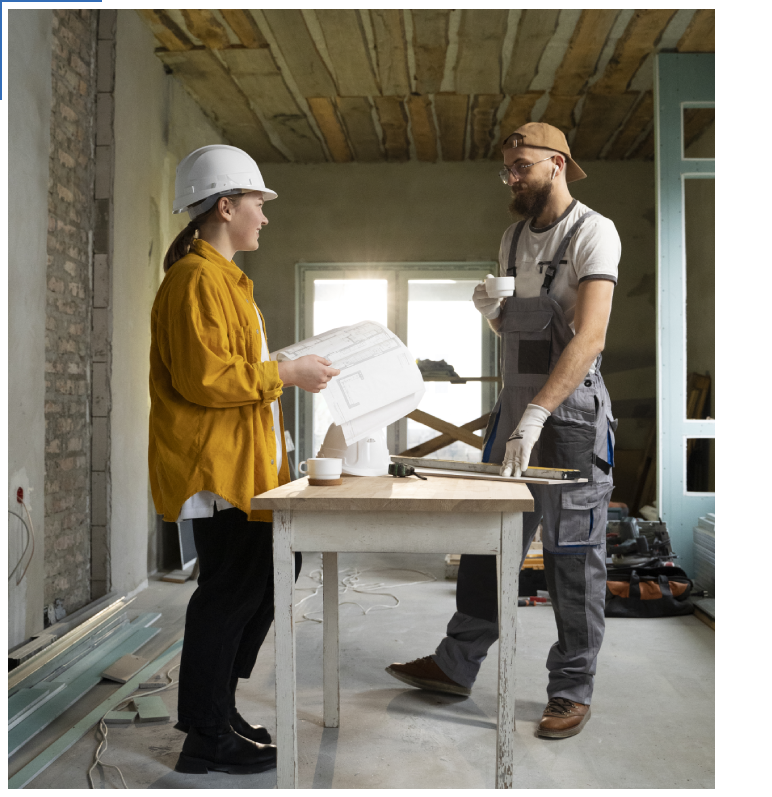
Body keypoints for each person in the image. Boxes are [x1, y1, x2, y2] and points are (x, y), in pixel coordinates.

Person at [386, 123, 620, 739]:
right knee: (489, 545)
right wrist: (493, 316)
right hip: (514, 412)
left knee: (572, 556)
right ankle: (454, 664)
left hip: (568, 419)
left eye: (522, 167)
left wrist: (540, 412)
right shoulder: (513, 236)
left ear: (557, 164)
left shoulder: (594, 232)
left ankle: (570, 690)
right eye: (507, 170)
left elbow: (589, 336)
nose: (512, 179)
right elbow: (519, 337)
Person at [149, 145, 340, 774]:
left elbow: (233, 366)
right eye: (257, 203)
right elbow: (205, 376)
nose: (264, 216)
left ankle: (219, 710)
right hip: (218, 467)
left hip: (246, 464)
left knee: (263, 582)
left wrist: (280, 369)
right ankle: (204, 736)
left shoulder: (227, 281)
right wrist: (284, 371)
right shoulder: (195, 279)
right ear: (225, 206)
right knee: (229, 592)